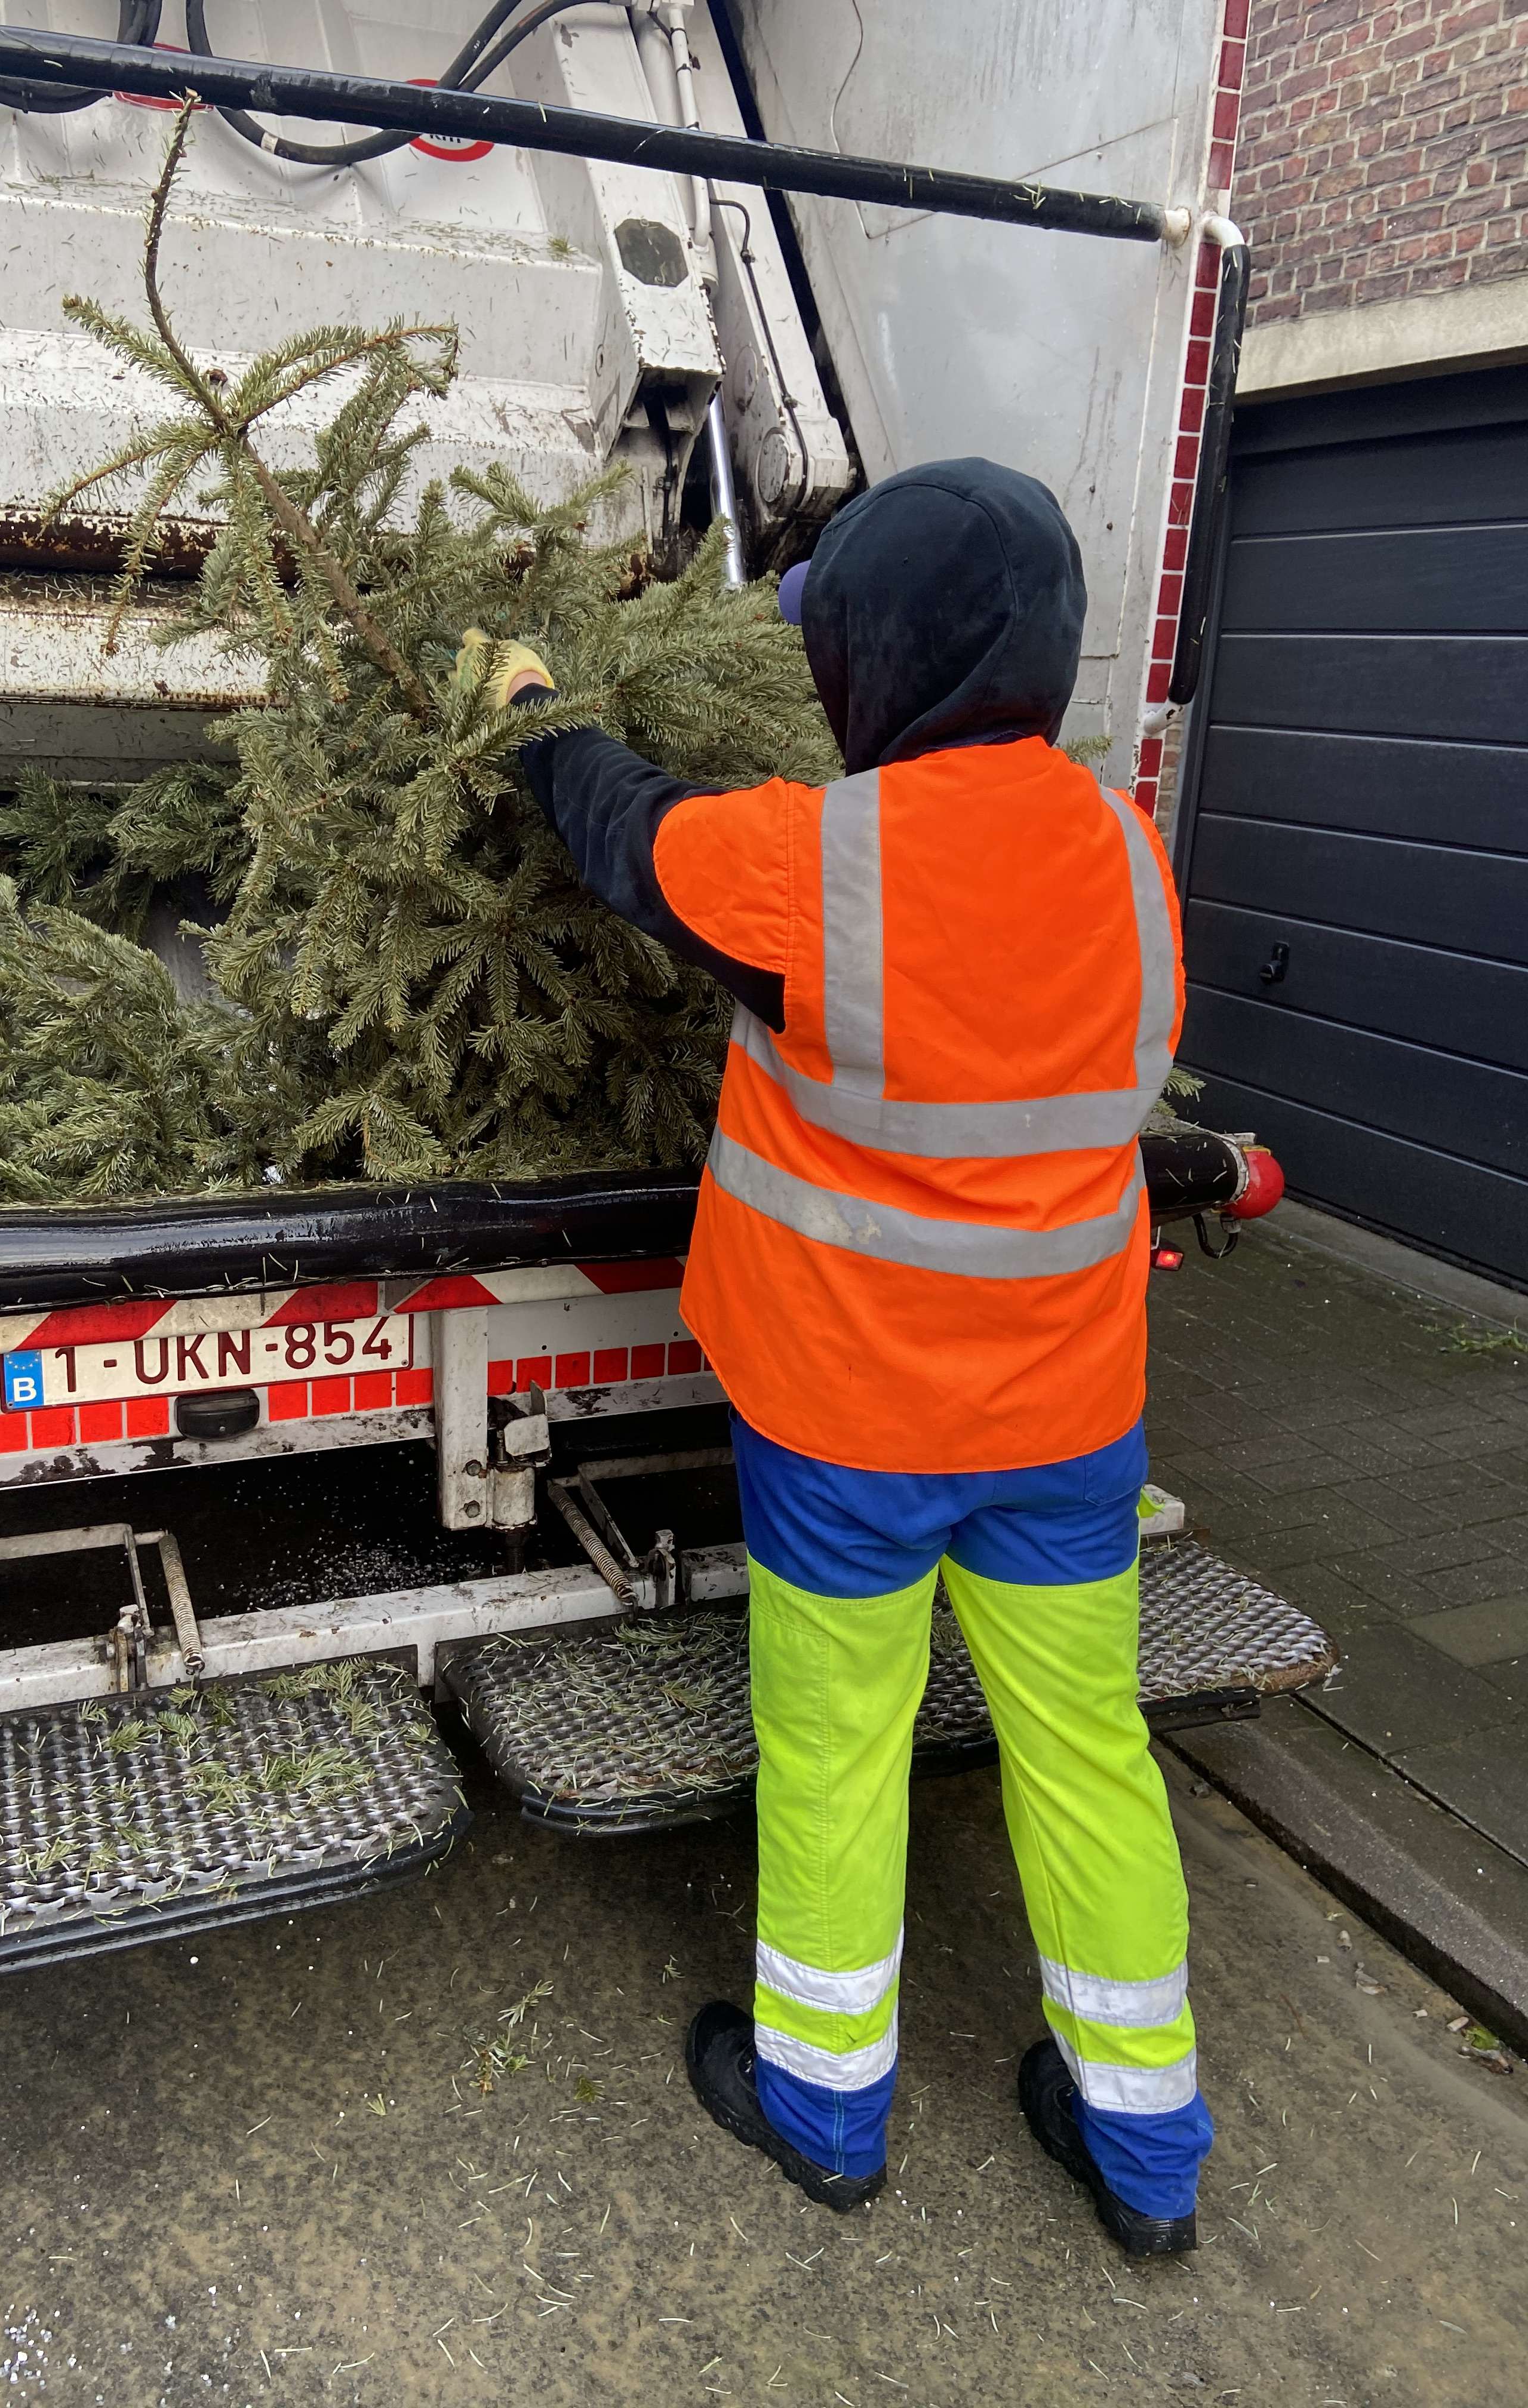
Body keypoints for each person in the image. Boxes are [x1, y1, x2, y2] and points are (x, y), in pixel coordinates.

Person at [453, 459, 1210, 2258]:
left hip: (853, 1433)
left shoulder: (818, 863)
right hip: (1070, 1424)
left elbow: (629, 835)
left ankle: (823, 2109)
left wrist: (539, 711)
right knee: (1090, 1755)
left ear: (883, 653)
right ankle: (1149, 2157)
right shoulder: (1132, 859)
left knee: (838, 1748)